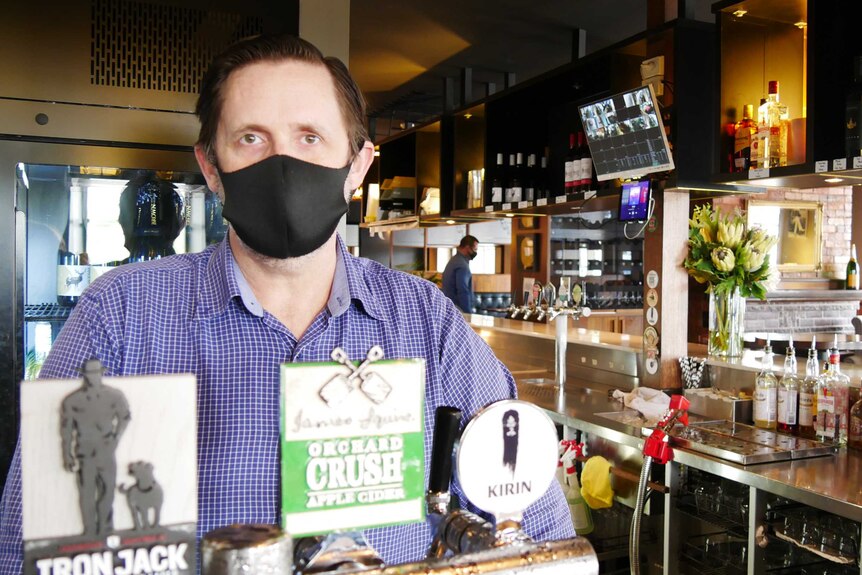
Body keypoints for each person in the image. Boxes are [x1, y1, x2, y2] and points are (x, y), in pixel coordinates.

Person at [0, 33, 573, 572]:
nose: (282, 165)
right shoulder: (122, 318)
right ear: (210, 167)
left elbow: (536, 532)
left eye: (309, 137)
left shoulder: (428, 324)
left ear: (357, 166)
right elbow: (30, 546)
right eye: (251, 138)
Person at [61, 359, 131, 536]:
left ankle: (105, 528)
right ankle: (89, 529)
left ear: (101, 373)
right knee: (87, 493)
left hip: (106, 450)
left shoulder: (114, 395)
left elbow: (125, 416)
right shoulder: (72, 400)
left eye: (96, 373)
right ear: (84, 375)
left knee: (108, 490)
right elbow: (67, 430)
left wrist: (116, 436)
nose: (93, 377)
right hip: (84, 452)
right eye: (89, 374)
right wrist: (67, 455)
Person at [441, 235, 479, 313]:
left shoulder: (454, 260)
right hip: (458, 310)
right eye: (475, 249)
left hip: (449, 308)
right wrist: (468, 313)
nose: (475, 252)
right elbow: (463, 291)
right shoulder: (462, 265)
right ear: (468, 248)